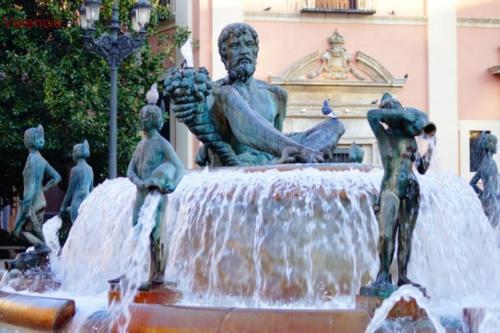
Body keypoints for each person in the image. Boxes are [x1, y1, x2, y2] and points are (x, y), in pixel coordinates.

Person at [168, 23, 345, 167]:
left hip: (276, 157)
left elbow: (277, 134)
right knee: (228, 93)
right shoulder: (216, 92)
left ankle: (295, 155)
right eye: (235, 46)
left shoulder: (276, 94)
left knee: (334, 126)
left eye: (249, 44)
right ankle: (298, 152)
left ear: (255, 52)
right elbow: (205, 126)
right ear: (224, 55)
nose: (244, 51)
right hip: (240, 162)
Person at [367, 93, 434, 293]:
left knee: (406, 236)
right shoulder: (383, 133)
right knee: (386, 234)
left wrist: (431, 146)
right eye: (390, 108)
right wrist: (397, 112)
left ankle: (403, 276)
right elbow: (371, 115)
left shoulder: (411, 139)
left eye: (396, 106)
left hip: (412, 188)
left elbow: (421, 168)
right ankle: (383, 274)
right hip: (391, 187)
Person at [127, 85, 184, 286]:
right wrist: (138, 181)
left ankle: (157, 273)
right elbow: (130, 170)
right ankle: (136, 272)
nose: (142, 120)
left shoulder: (161, 144)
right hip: (140, 195)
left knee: (156, 235)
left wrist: (172, 185)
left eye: (145, 117)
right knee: (137, 230)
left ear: (153, 120)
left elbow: (179, 167)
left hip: (157, 197)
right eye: (142, 117)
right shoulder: (140, 145)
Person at [13, 125, 61, 249]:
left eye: (25, 137)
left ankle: (43, 248)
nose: (23, 139)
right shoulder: (42, 159)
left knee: (18, 229)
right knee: (36, 230)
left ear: (30, 140)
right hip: (40, 200)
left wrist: (26, 204)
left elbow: (32, 185)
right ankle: (44, 253)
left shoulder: (32, 159)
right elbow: (57, 177)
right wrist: (44, 189)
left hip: (31, 201)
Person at [60, 140, 94, 222]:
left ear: (76, 153)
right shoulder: (90, 169)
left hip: (77, 203)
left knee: (75, 229)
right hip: (87, 202)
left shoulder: (75, 170)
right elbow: (91, 189)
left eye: (73, 152)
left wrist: (63, 207)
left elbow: (70, 190)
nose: (72, 154)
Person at [470, 132, 499, 226]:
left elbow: (471, 183)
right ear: (492, 146)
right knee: (495, 229)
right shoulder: (491, 163)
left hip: (486, 199)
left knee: (490, 229)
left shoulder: (483, 164)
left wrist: (481, 193)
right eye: (496, 144)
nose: (497, 147)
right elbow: (491, 186)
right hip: (493, 200)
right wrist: (496, 203)